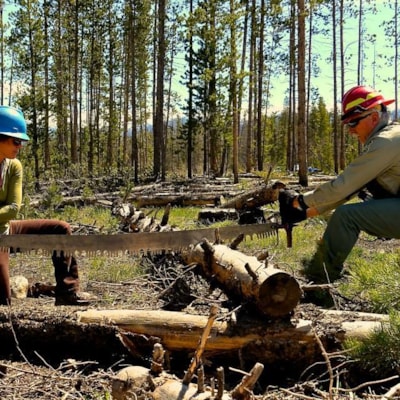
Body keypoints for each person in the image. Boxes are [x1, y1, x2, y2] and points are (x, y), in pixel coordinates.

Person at [279, 85, 400, 285]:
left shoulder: (386, 142)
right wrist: (306, 212)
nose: (351, 130)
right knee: (345, 214)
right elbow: (352, 189)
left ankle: (319, 280)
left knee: (347, 216)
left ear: (374, 117)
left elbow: (343, 186)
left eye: (353, 122)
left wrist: (299, 201)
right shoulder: (388, 138)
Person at [0, 105, 92, 306]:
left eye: (22, 142)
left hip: (6, 229)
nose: (20, 146)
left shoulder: (13, 166)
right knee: (3, 302)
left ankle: (67, 292)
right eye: (16, 141)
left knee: (59, 229)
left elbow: (13, 208)